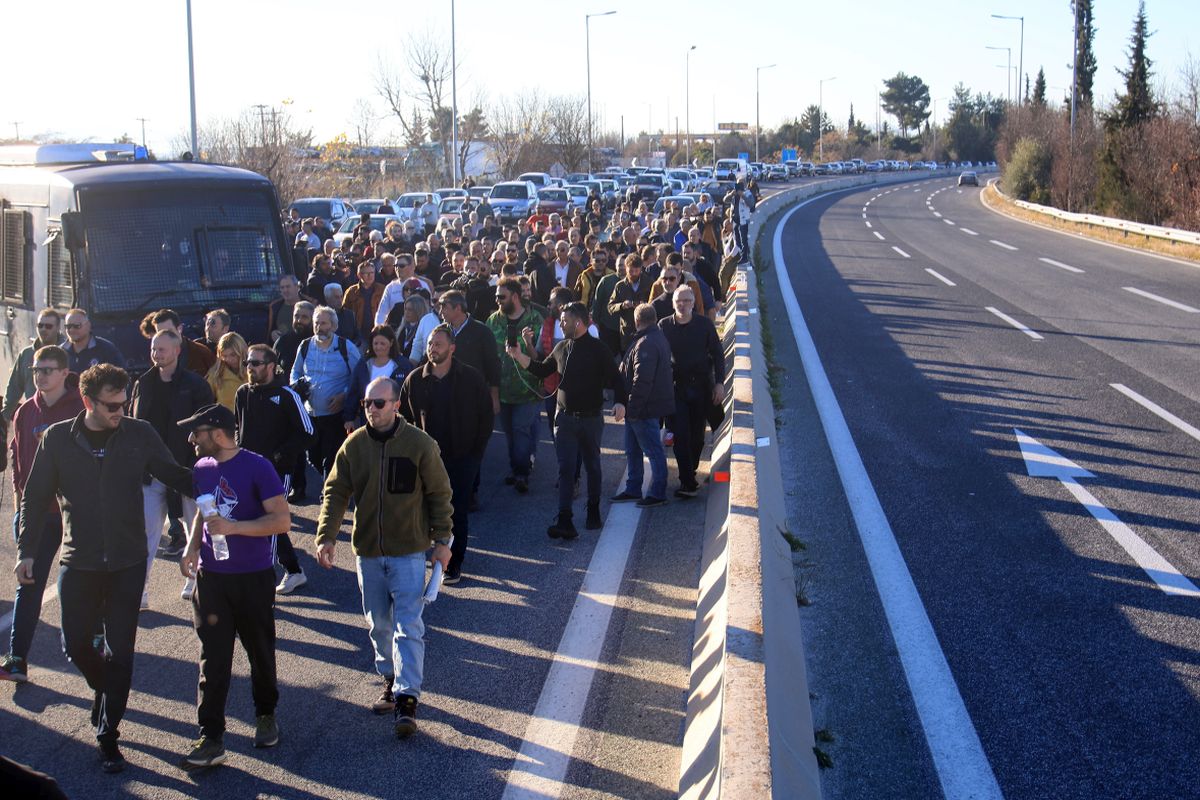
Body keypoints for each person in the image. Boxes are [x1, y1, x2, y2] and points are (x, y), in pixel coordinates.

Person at [15, 363, 193, 773]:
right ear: (88, 401)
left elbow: (174, 475)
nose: (120, 411)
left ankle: (108, 735)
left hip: (128, 563)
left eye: (123, 403)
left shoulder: (139, 434)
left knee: (121, 652)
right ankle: (106, 690)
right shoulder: (58, 439)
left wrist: (226, 478)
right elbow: (34, 496)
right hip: (79, 561)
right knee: (74, 645)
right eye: (112, 405)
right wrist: (26, 551)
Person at [314, 377, 453, 735]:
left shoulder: (421, 444)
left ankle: (408, 699)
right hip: (369, 553)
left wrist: (442, 541)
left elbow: (440, 494)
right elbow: (335, 491)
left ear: (396, 405)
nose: (372, 410)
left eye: (379, 403)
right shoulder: (354, 446)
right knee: (379, 625)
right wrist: (326, 537)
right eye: (366, 404)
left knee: (408, 625)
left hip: (408, 552)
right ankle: (390, 680)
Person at [177, 404, 291, 768]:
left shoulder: (258, 467)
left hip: (252, 577)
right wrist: (192, 546)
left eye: (198, 431)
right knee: (213, 657)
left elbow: (281, 521)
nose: (191, 439)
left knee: (259, 650)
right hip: (212, 578)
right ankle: (211, 736)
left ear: (219, 433)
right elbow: (202, 511)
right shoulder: (201, 468)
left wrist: (235, 528)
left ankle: (265, 715)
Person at [0, 346, 84, 683]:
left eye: (48, 370)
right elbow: (19, 468)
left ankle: (94, 635)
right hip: (37, 514)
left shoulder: (81, 407)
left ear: (65, 372)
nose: (41, 376)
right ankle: (17, 659)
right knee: (28, 582)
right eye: (36, 370)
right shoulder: (24, 412)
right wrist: (22, 510)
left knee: (80, 581)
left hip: (76, 515)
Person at [506, 303, 626, 539]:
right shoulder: (561, 348)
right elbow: (541, 370)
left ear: (578, 322)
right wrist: (519, 355)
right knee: (566, 469)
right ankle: (564, 519)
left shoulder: (598, 349)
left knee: (592, 465)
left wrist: (620, 402)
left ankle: (593, 510)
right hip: (565, 420)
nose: (561, 323)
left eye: (565, 320)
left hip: (591, 419)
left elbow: (617, 378)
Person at [398, 325, 492, 583]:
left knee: (455, 511)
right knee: (422, 509)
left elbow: (486, 417)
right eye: (430, 344)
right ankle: (422, 554)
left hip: (463, 458)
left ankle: (453, 562)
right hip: (426, 460)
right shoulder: (415, 380)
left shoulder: (471, 378)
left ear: (452, 348)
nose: (432, 349)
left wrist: (476, 454)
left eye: (438, 344)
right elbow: (403, 420)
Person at [130, 330, 214, 601]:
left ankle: (195, 582)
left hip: (186, 471)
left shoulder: (196, 385)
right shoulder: (143, 383)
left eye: (162, 349)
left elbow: (205, 429)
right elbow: (134, 424)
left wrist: (197, 467)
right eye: (154, 349)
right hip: (152, 473)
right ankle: (138, 591)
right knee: (146, 535)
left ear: (177, 351)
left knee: (196, 530)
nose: (156, 354)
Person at [236, 343, 312, 591]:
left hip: (277, 471)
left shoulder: (287, 395)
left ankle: (262, 583)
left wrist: (281, 454)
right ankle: (293, 570)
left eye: (255, 363)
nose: (250, 368)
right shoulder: (242, 393)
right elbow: (239, 429)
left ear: (270, 366)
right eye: (248, 363)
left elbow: (308, 433)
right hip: (246, 470)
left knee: (268, 520)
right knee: (261, 520)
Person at [659, 286, 725, 498]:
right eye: (679, 301)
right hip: (676, 388)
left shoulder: (704, 325)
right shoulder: (664, 326)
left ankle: (691, 471)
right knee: (680, 435)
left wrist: (720, 383)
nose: (683, 304)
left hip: (701, 388)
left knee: (697, 438)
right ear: (673, 303)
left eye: (687, 300)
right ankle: (687, 482)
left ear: (693, 303)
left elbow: (717, 354)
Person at [290, 306, 361, 495]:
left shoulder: (347, 347)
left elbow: (359, 376)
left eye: (324, 323)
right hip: (310, 414)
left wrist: (344, 395)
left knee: (330, 458)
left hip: (334, 414)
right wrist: (297, 385)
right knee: (312, 456)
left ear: (334, 326)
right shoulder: (305, 346)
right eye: (316, 323)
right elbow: (295, 371)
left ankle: (329, 495)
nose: (319, 327)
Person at [486, 278, 545, 493]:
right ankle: (516, 467)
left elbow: (540, 358)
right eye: (496, 297)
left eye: (502, 297)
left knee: (521, 430)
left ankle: (522, 472)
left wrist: (528, 344)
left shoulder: (535, 319)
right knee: (510, 433)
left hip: (528, 388)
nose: (498, 300)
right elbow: (488, 358)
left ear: (515, 297)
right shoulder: (493, 321)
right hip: (502, 389)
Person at [612, 304, 674, 507]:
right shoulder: (654, 338)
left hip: (643, 409)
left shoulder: (645, 343)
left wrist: (633, 410)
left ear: (637, 321)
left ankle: (657, 493)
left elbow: (642, 381)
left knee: (652, 451)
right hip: (640, 408)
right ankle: (633, 488)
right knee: (633, 449)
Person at [345, 326, 414, 432]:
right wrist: (349, 418)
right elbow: (353, 391)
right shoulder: (363, 364)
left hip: (396, 423)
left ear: (391, 343)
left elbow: (410, 394)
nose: (378, 347)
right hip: (369, 420)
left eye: (382, 343)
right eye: (375, 343)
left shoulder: (404, 365)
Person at [3, 308, 63, 424]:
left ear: (58, 328)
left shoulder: (66, 353)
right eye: (40, 325)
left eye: (48, 326)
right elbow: (14, 387)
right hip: (33, 416)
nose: (43, 329)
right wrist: (5, 416)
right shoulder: (26, 354)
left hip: (60, 417)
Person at [144, 309, 216, 377]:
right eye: (161, 333)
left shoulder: (201, 352)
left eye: (169, 331)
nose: (165, 336)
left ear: (180, 329)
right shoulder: (157, 356)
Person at [607, 253, 652, 353]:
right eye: (631, 271)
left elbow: (654, 303)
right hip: (627, 333)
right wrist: (622, 305)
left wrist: (644, 305)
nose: (634, 274)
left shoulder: (649, 283)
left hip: (645, 330)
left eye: (636, 271)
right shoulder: (620, 286)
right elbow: (610, 307)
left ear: (641, 269)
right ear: (626, 268)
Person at [63, 308, 125, 374]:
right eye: (68, 326)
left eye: (77, 326)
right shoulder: (60, 352)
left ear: (88, 325)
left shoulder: (107, 350)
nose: (72, 330)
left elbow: (122, 378)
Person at [343, 260, 387, 343]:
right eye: (366, 273)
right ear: (359, 275)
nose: (370, 276)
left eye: (372, 273)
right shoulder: (351, 292)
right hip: (358, 334)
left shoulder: (382, 290)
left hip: (378, 332)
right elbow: (345, 312)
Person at [205, 332, 249, 411]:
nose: (228, 360)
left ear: (241, 352)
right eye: (224, 356)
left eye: (233, 355)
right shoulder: (215, 374)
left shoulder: (253, 371)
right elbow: (204, 400)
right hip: (225, 421)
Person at [268, 275, 302, 343]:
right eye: (282, 288)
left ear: (297, 287)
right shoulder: (275, 307)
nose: (285, 290)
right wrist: (273, 334)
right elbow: (270, 331)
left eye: (288, 287)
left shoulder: (309, 305)